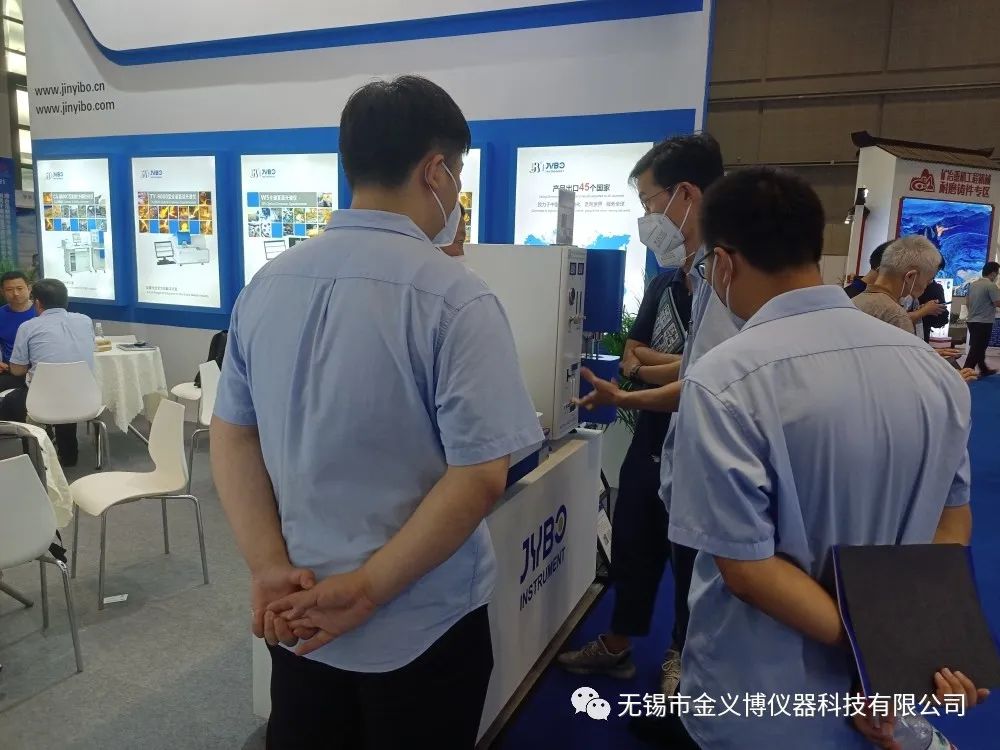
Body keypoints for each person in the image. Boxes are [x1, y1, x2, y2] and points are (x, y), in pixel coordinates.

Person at [210, 75, 543, 750]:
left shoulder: (267, 284)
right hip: (422, 623)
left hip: (298, 611)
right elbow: (480, 475)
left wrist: (267, 565)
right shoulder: (457, 297)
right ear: (435, 170)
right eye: (458, 174)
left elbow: (233, 434)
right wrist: (366, 590)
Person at [647, 166, 985, 749]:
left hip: (763, 696)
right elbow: (951, 522)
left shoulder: (726, 379)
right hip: (883, 695)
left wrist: (869, 644)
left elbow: (748, 569)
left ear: (723, 263)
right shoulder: (934, 373)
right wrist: (898, 646)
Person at [557, 134, 721, 692]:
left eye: (650, 202)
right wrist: (664, 369)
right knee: (634, 539)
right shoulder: (671, 279)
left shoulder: (725, 277)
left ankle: (682, 657)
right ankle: (619, 642)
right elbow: (637, 354)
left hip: (703, 448)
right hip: (654, 439)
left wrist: (646, 376)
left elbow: (709, 375)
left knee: (692, 558)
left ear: (685, 195)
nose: (647, 218)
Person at [0, 278, 94, 466]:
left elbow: (17, 371)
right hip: (84, 395)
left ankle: (26, 455)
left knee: (10, 401)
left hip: (43, 397)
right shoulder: (85, 320)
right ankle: (68, 455)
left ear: (37, 302)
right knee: (63, 393)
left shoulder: (28, 326)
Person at [852, 236, 944, 334]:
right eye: (929, 280)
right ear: (910, 277)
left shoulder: (853, 302)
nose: (927, 285)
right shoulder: (897, 317)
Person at [0, 270, 37, 391]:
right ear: (2, 292)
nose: (15, 293)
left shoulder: (41, 312)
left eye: (20, 288)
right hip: (9, 370)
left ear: (29, 289)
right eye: (9, 290)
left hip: (38, 371)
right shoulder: (1, 314)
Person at [963, 261, 1000, 377]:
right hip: (984, 322)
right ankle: (965, 372)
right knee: (977, 349)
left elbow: (967, 302)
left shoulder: (973, 285)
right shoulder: (991, 286)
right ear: (993, 274)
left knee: (979, 347)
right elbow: (997, 303)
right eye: (997, 273)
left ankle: (983, 369)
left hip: (972, 320)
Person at [917, 258, 950, 343]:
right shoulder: (906, 286)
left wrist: (932, 310)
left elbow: (941, 319)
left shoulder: (936, 288)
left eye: (937, 271)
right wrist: (923, 310)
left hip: (922, 334)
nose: (933, 275)